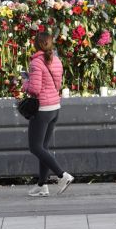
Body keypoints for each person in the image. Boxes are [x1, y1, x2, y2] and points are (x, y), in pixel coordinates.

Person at [22, 31, 74, 196]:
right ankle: (42, 185)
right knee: (43, 147)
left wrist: (25, 83)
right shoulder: (57, 60)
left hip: (42, 109)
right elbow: (57, 85)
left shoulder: (36, 63)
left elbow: (34, 89)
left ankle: (62, 175)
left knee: (35, 147)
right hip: (54, 107)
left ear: (36, 45)